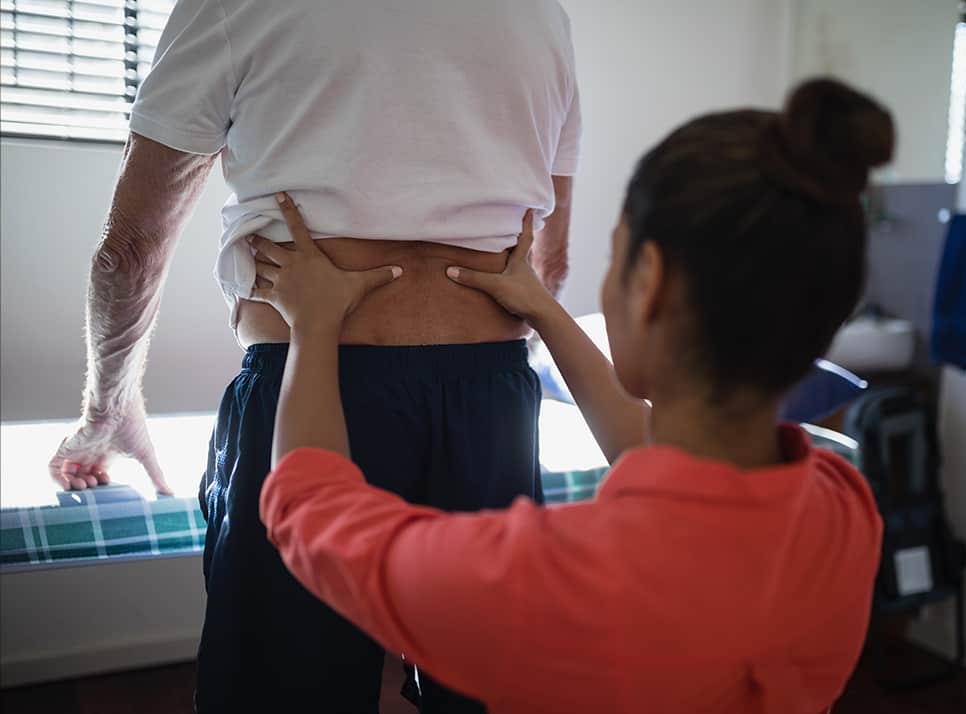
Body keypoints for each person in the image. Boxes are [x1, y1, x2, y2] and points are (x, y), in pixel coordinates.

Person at [253, 78, 889, 714]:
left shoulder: (547, 582)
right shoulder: (842, 507)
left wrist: (313, 326)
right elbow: (661, 459)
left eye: (615, 259)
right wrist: (543, 310)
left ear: (649, 282)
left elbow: (310, 510)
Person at [47, 1, 581, 712]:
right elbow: (549, 264)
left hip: (310, 383)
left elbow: (128, 252)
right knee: (491, 694)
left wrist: (107, 410)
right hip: (493, 400)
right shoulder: (542, 13)